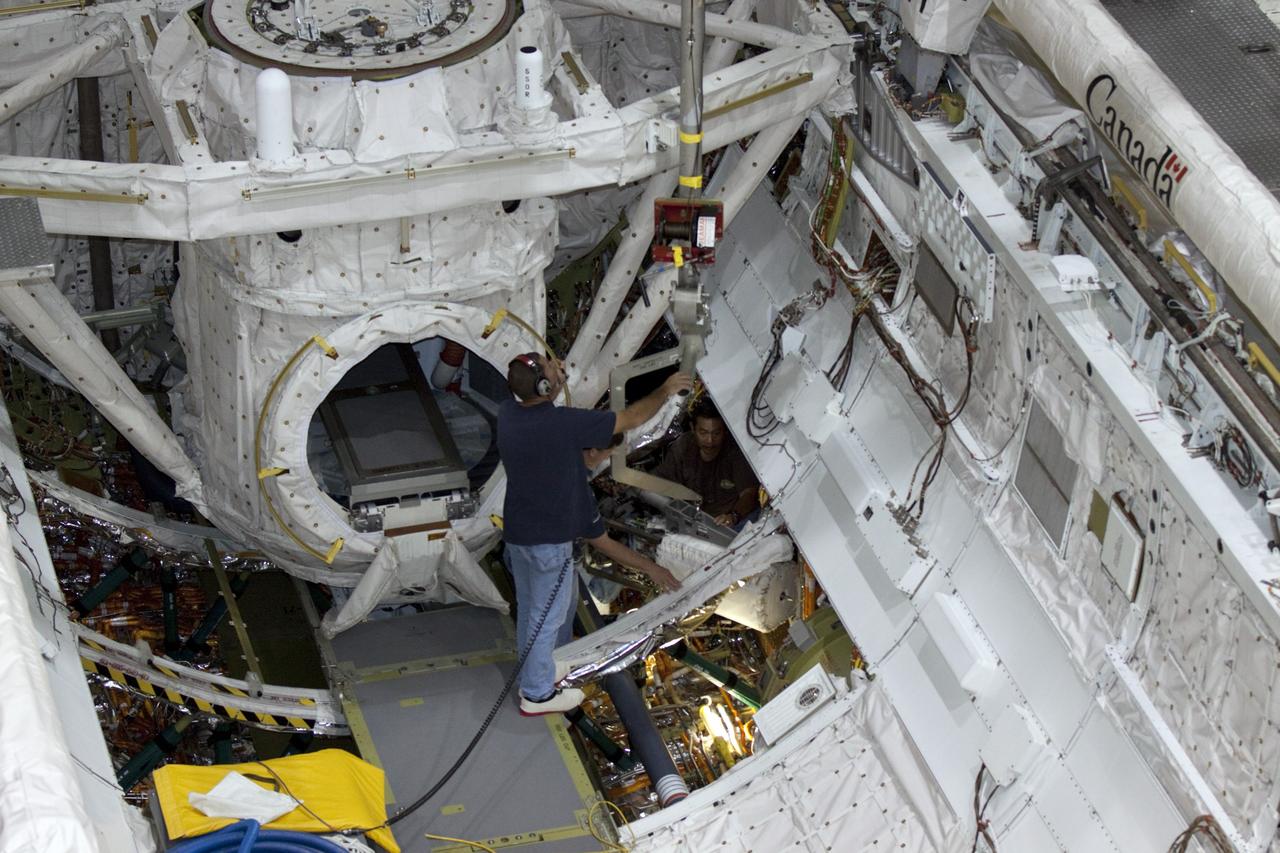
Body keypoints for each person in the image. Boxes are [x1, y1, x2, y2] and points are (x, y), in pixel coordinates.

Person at [498, 352, 691, 716]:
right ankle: (537, 695)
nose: (560, 369)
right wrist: (666, 389)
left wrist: (651, 570)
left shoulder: (509, 415)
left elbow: (601, 537)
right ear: (543, 386)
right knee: (546, 619)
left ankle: (537, 672)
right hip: (547, 547)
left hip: (519, 537)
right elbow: (632, 418)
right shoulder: (561, 426)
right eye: (553, 369)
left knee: (531, 613)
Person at [653, 400, 759, 527]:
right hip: (692, 520)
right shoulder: (683, 446)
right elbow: (661, 479)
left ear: (724, 431)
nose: (710, 441)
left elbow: (749, 493)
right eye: (703, 433)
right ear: (693, 428)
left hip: (726, 523)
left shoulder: (735, 452)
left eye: (716, 433)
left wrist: (733, 516)